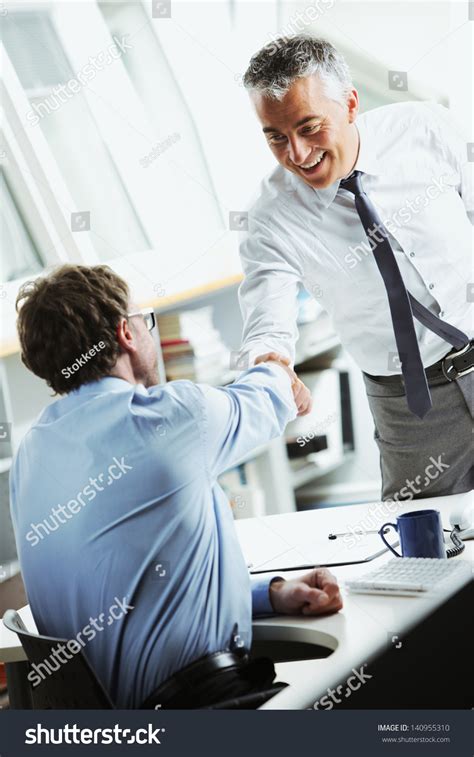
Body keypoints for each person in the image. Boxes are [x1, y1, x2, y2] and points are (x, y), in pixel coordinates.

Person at [10, 264, 343, 709]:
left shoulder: (30, 457)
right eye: (144, 321)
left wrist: (270, 593)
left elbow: (131, 591)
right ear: (125, 332)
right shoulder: (170, 416)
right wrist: (280, 371)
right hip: (207, 710)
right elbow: (273, 395)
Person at [238, 34, 473, 501]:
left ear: (350, 104)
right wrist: (270, 360)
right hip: (412, 407)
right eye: (276, 137)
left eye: (309, 127)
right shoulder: (271, 217)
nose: (297, 154)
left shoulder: (427, 129)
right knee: (425, 553)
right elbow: (267, 309)